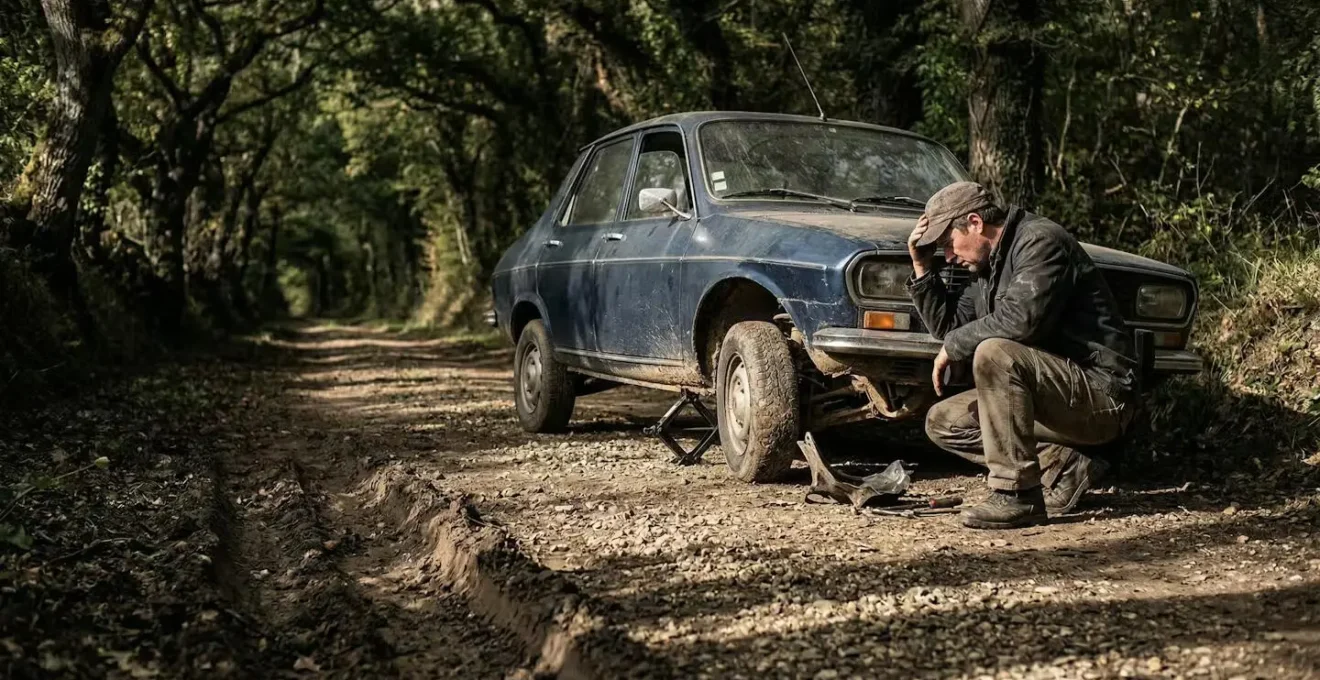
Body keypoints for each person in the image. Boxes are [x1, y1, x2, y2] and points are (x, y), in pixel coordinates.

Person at [906, 181, 1139, 529]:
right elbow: (950, 326)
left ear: (974, 223)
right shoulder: (987, 267)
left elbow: (1020, 322)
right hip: (1055, 398)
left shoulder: (1040, 241)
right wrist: (921, 267)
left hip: (1102, 398)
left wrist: (955, 346)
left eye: (947, 244)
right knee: (944, 422)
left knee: (994, 352)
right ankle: (1064, 465)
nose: (949, 256)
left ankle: (1018, 496)